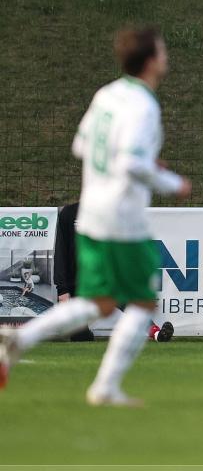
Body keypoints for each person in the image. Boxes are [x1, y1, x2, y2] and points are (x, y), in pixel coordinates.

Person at [0, 27, 191, 405]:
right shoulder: (142, 104)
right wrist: (171, 181)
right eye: (163, 50)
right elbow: (131, 161)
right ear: (151, 59)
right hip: (122, 214)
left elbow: (80, 144)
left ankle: (20, 338)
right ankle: (106, 387)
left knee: (101, 302)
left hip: (90, 212)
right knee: (140, 303)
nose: (166, 56)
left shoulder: (106, 95)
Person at [54, 202, 174, 342]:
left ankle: (157, 334)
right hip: (78, 284)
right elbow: (61, 252)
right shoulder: (69, 213)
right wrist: (62, 289)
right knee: (80, 337)